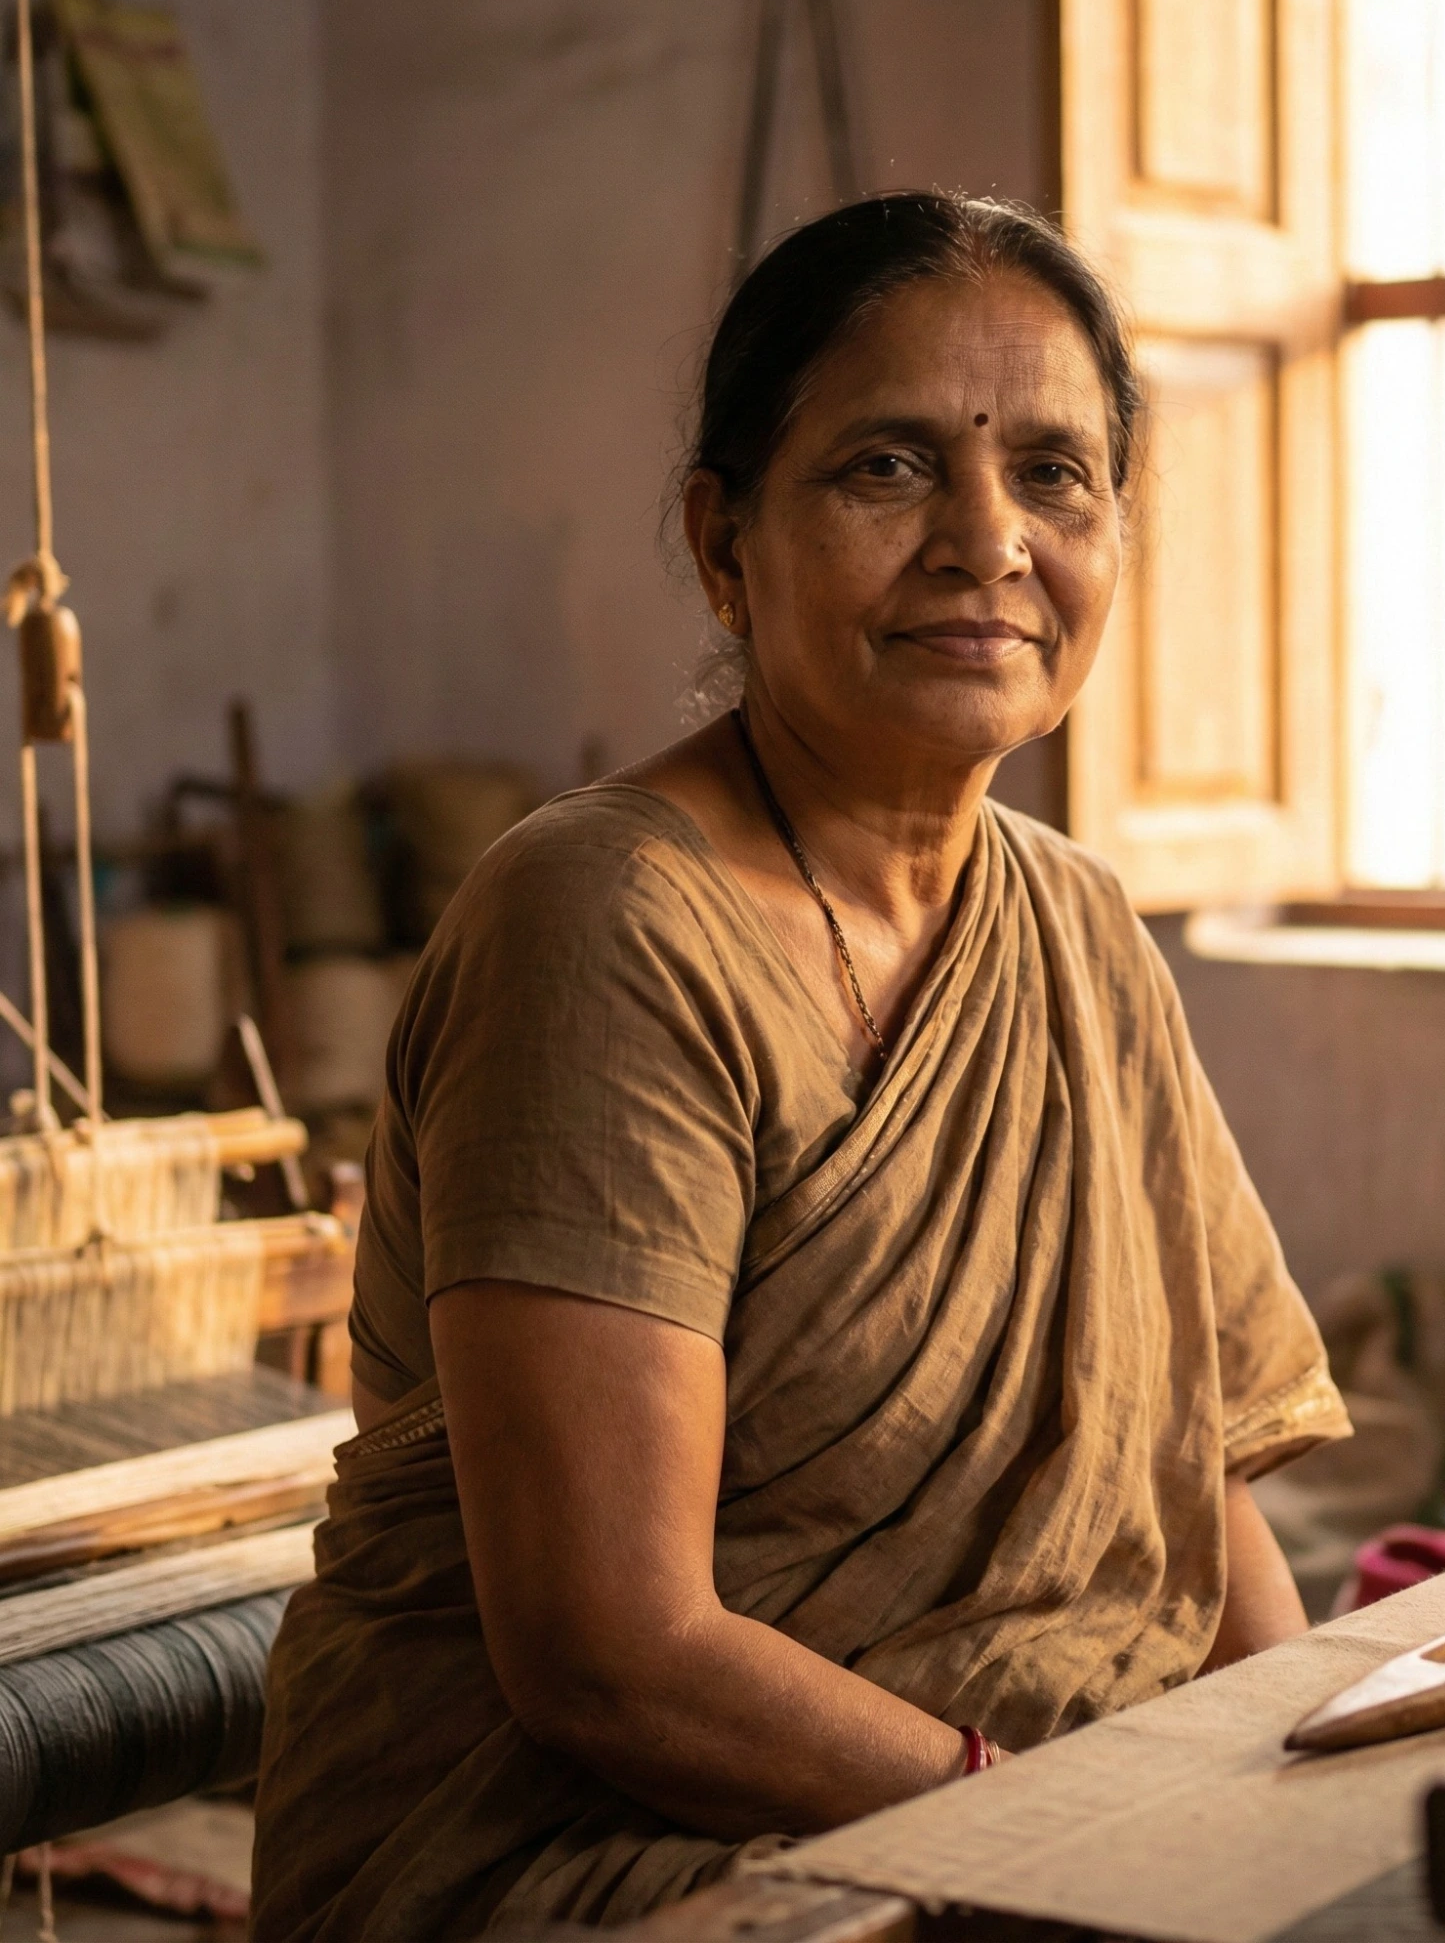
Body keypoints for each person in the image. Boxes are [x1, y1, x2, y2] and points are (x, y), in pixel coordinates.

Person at [251, 192, 1350, 1942]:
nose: (988, 540)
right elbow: (617, 1660)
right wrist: (1052, 1835)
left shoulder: (1078, 932)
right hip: (598, 1856)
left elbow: (1187, 1506)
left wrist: (1294, 1807)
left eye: (1056, 475)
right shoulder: (607, 920)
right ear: (722, 541)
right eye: (888, 470)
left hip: (1013, 1819)